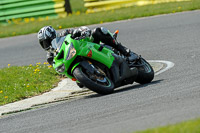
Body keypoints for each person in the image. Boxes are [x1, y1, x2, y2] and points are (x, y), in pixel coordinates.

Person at [38, 26, 138, 65]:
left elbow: (79, 29)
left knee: (98, 31)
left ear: (52, 36)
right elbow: (58, 68)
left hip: (87, 46)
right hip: (75, 61)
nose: (46, 45)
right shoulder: (50, 57)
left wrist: (83, 32)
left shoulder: (64, 34)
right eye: (43, 43)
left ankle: (126, 52)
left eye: (47, 41)